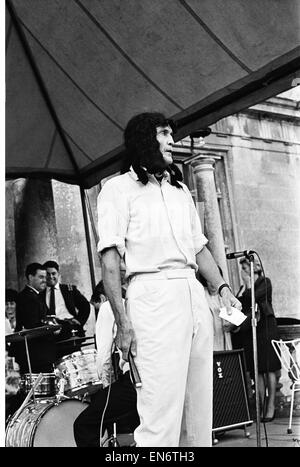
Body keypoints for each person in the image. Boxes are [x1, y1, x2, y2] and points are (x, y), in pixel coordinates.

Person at [96, 112, 241, 447]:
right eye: (164, 133)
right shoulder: (116, 190)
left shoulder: (180, 192)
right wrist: (123, 321)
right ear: (145, 139)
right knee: (160, 413)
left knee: (199, 413)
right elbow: (109, 261)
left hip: (192, 292)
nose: (172, 140)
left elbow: (200, 249)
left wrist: (223, 289)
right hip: (152, 295)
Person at [73, 281, 139, 447]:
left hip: (133, 380)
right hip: (154, 379)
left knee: (83, 425)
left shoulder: (108, 306)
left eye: (96, 306)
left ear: (102, 297)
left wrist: (106, 387)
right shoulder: (136, 304)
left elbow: (104, 358)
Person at [231, 257, 281, 422]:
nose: (243, 272)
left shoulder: (265, 282)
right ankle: (260, 407)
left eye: (245, 269)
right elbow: (239, 305)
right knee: (256, 370)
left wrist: (248, 285)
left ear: (254, 268)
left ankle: (271, 407)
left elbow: (253, 299)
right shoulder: (243, 287)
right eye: (243, 269)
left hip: (266, 327)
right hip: (251, 329)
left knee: (269, 368)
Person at [12, 263, 57, 374]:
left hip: (38, 354)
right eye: (40, 277)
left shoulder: (34, 296)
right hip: (34, 356)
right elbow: (33, 327)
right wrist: (53, 329)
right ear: (30, 277)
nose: (45, 280)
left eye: (45, 277)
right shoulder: (28, 297)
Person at [41, 260, 91, 358]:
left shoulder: (69, 289)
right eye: (47, 274)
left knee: (73, 361)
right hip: (51, 334)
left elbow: (85, 306)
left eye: (53, 273)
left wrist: (79, 321)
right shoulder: (40, 294)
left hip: (69, 331)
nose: (51, 277)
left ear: (58, 274)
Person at [197, 268, 232, 351]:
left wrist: (232, 326)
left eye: (215, 282)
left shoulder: (226, 296)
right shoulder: (201, 295)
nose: (213, 285)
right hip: (209, 342)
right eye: (209, 281)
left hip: (224, 340)